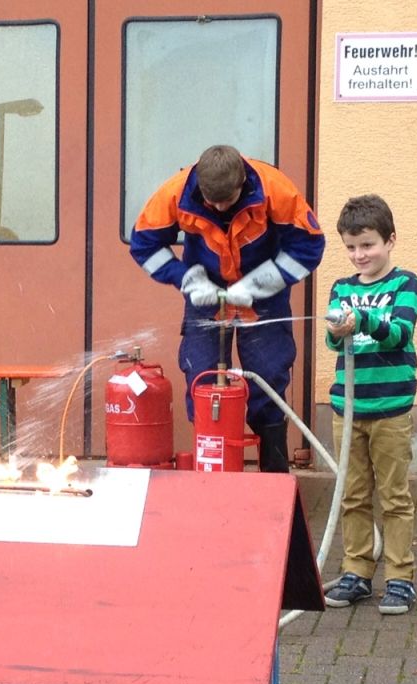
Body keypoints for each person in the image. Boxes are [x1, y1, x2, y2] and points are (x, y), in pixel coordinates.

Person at [129, 145, 325, 471]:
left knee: (267, 379)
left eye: (227, 201)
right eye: (211, 202)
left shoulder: (275, 189)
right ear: (199, 188)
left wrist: (264, 282)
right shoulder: (176, 192)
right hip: (205, 293)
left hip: (263, 296)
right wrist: (186, 279)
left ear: (242, 183)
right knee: (202, 378)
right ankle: (213, 471)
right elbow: (143, 244)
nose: (219, 207)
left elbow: (310, 245)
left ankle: (274, 478)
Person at [323, 194, 417, 614]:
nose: (359, 255)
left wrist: (361, 321)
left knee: (394, 497)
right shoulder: (341, 287)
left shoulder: (405, 284)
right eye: (350, 246)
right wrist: (338, 328)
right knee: (353, 495)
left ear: (390, 240)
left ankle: (400, 579)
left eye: (367, 245)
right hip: (348, 409)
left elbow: (399, 331)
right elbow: (332, 340)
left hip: (391, 409)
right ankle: (356, 572)